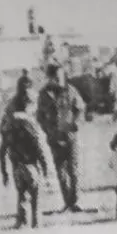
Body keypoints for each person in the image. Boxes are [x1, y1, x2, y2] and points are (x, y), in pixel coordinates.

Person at [0, 84, 51, 229]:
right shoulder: (31, 124)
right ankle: (36, 226)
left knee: (21, 196)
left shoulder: (8, 124)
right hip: (31, 165)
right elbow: (39, 148)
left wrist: (4, 172)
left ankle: (21, 223)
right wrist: (46, 168)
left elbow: (2, 150)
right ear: (29, 105)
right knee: (35, 198)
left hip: (17, 166)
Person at [35, 62, 85, 213]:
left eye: (61, 76)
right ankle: (67, 202)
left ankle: (74, 202)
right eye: (56, 77)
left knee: (73, 170)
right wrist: (48, 131)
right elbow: (40, 117)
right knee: (61, 172)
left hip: (70, 136)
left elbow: (80, 109)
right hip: (54, 138)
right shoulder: (43, 94)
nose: (59, 79)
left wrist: (74, 124)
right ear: (50, 78)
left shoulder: (70, 90)